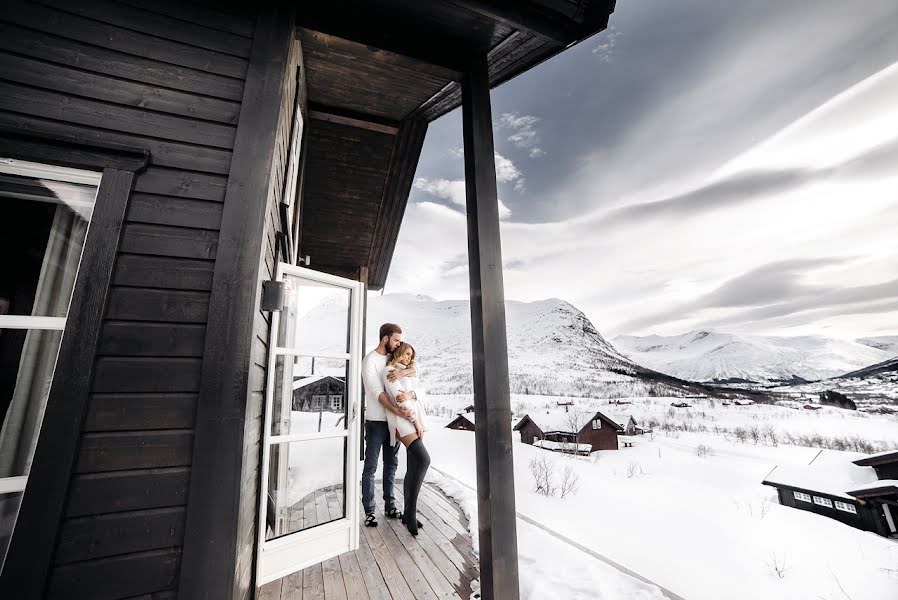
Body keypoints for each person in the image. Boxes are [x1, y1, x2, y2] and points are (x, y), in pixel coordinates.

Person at [361, 323, 416, 527]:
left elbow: (412, 368)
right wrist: (397, 411)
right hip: (376, 423)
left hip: (394, 423)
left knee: (391, 466)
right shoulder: (370, 361)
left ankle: (390, 505)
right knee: (371, 467)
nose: (398, 344)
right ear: (385, 338)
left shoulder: (393, 358)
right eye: (396, 340)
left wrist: (403, 374)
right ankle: (369, 511)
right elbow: (377, 392)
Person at [382, 342, 430, 536]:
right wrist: (416, 422)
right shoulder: (389, 371)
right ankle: (410, 513)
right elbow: (399, 399)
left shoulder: (406, 372)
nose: (409, 358)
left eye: (411, 355)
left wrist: (412, 393)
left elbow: (423, 393)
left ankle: (408, 513)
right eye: (407, 354)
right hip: (404, 421)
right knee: (423, 460)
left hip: (416, 419)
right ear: (399, 352)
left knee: (413, 466)